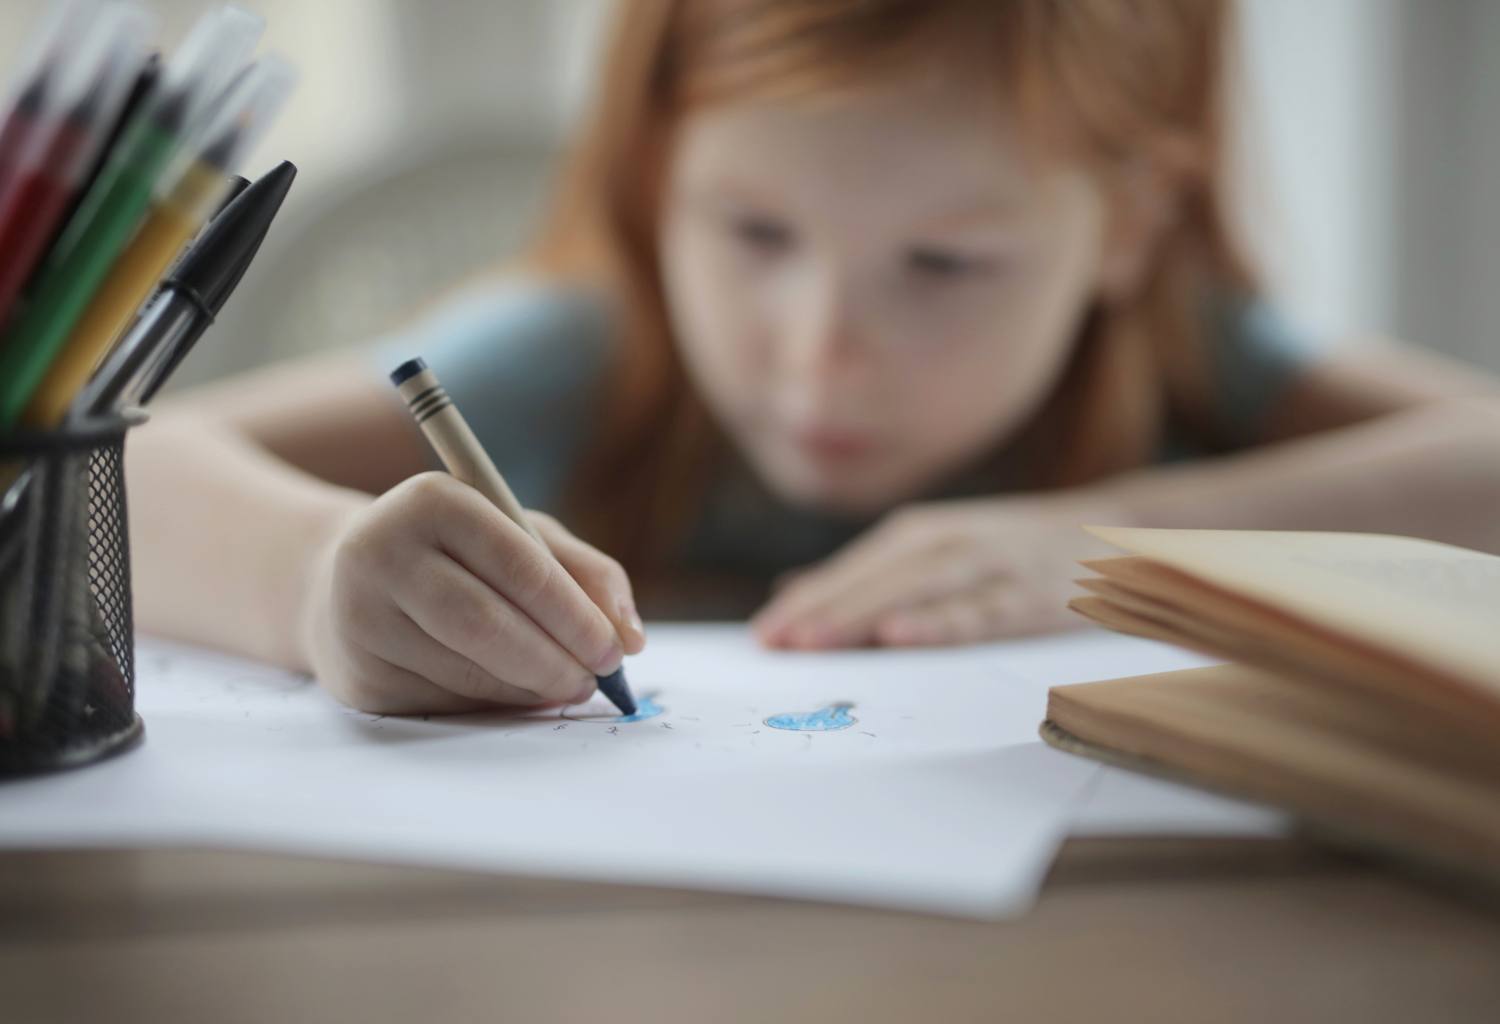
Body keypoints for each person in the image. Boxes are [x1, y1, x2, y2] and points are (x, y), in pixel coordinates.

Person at [129, 0, 1500, 715]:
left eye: (945, 266)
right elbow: (110, 471)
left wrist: (1118, 544)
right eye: (753, 230)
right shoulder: (589, 349)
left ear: (1128, 223)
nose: (817, 351)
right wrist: (312, 586)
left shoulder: (1188, 355)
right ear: (663, 174)